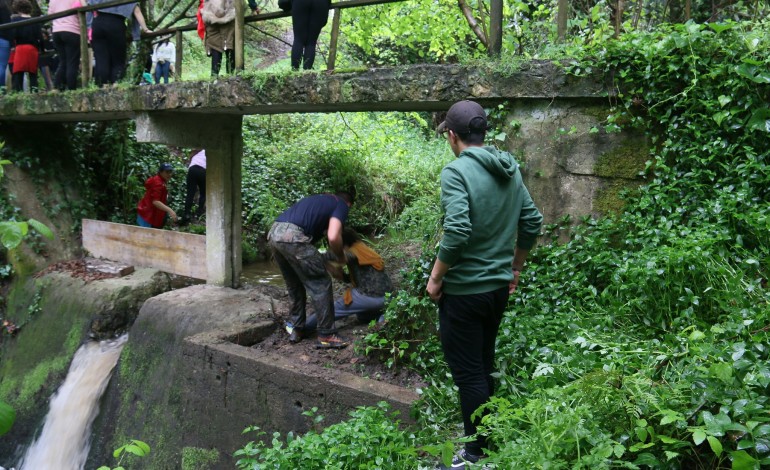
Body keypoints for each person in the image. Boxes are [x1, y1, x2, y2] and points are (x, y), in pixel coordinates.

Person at [426, 100, 543, 469]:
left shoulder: (456, 172)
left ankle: (476, 456)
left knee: (469, 373)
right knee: (483, 363)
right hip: (496, 291)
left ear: (451, 135)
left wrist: (435, 277)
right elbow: (532, 220)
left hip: (464, 293)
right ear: (484, 133)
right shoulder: (510, 169)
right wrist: (516, 268)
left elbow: (458, 230)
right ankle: (486, 443)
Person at [267, 191, 354, 349]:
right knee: (321, 283)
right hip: (293, 237)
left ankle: (296, 327)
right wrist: (341, 257)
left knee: (294, 283)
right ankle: (327, 335)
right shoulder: (341, 205)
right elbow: (334, 236)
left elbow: (311, 257)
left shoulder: (320, 201)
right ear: (349, 204)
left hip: (274, 233)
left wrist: (327, 265)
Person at [301, 228, 393, 331]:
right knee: (362, 317)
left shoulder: (353, 251)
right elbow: (352, 278)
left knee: (333, 309)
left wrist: (309, 254)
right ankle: (381, 318)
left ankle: (303, 327)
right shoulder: (362, 248)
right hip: (388, 298)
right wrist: (338, 273)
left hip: (371, 296)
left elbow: (332, 256)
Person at [88, 0, 151, 86]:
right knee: (118, 60)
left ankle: (102, 87)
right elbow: (137, 11)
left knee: (101, 59)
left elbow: (88, 6)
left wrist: (87, 29)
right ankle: (115, 85)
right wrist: (145, 29)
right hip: (116, 24)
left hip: (98, 24)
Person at [9, 0, 41, 93]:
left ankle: (18, 93)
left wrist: (12, 45)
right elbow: (39, 36)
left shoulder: (15, 20)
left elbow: (13, 35)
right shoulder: (35, 20)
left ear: (17, 8)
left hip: (20, 48)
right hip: (32, 48)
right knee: (33, 73)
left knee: (18, 72)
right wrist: (41, 49)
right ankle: (34, 92)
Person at [49, 0, 81, 91]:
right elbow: (81, 12)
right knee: (72, 62)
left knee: (63, 61)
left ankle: (57, 86)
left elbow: (50, 14)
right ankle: (71, 88)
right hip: (72, 30)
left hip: (57, 31)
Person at [290, 0, 330, 70]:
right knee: (311, 43)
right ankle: (307, 74)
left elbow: (282, 3)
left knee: (298, 40)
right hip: (321, 3)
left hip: (300, 3)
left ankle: (294, 72)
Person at [137, 163, 177, 229]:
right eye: (167, 172)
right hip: (147, 214)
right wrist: (170, 211)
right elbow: (155, 202)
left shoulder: (160, 180)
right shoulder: (158, 183)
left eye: (170, 172)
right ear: (161, 172)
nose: (169, 174)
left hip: (149, 213)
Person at [200, 0, 235, 77]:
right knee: (229, 44)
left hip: (210, 14)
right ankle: (231, 75)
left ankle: (214, 76)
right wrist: (254, 7)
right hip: (229, 14)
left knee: (215, 46)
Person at [180, 149, 206, 225]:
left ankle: (186, 214)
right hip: (202, 171)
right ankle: (199, 213)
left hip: (192, 169)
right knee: (203, 193)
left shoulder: (198, 151)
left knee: (190, 194)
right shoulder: (210, 151)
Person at [0, 0, 12, 93]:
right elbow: (8, 25)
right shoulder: (3, 5)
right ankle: (1, 90)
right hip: (3, 38)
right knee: (2, 66)